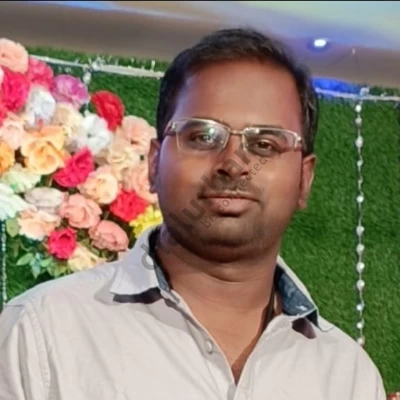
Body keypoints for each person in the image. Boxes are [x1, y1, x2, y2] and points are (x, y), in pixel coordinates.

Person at [0, 28, 386, 400]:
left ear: (304, 178)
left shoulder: (347, 374)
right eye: (203, 137)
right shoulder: (42, 332)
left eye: (266, 144)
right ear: (154, 163)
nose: (233, 164)